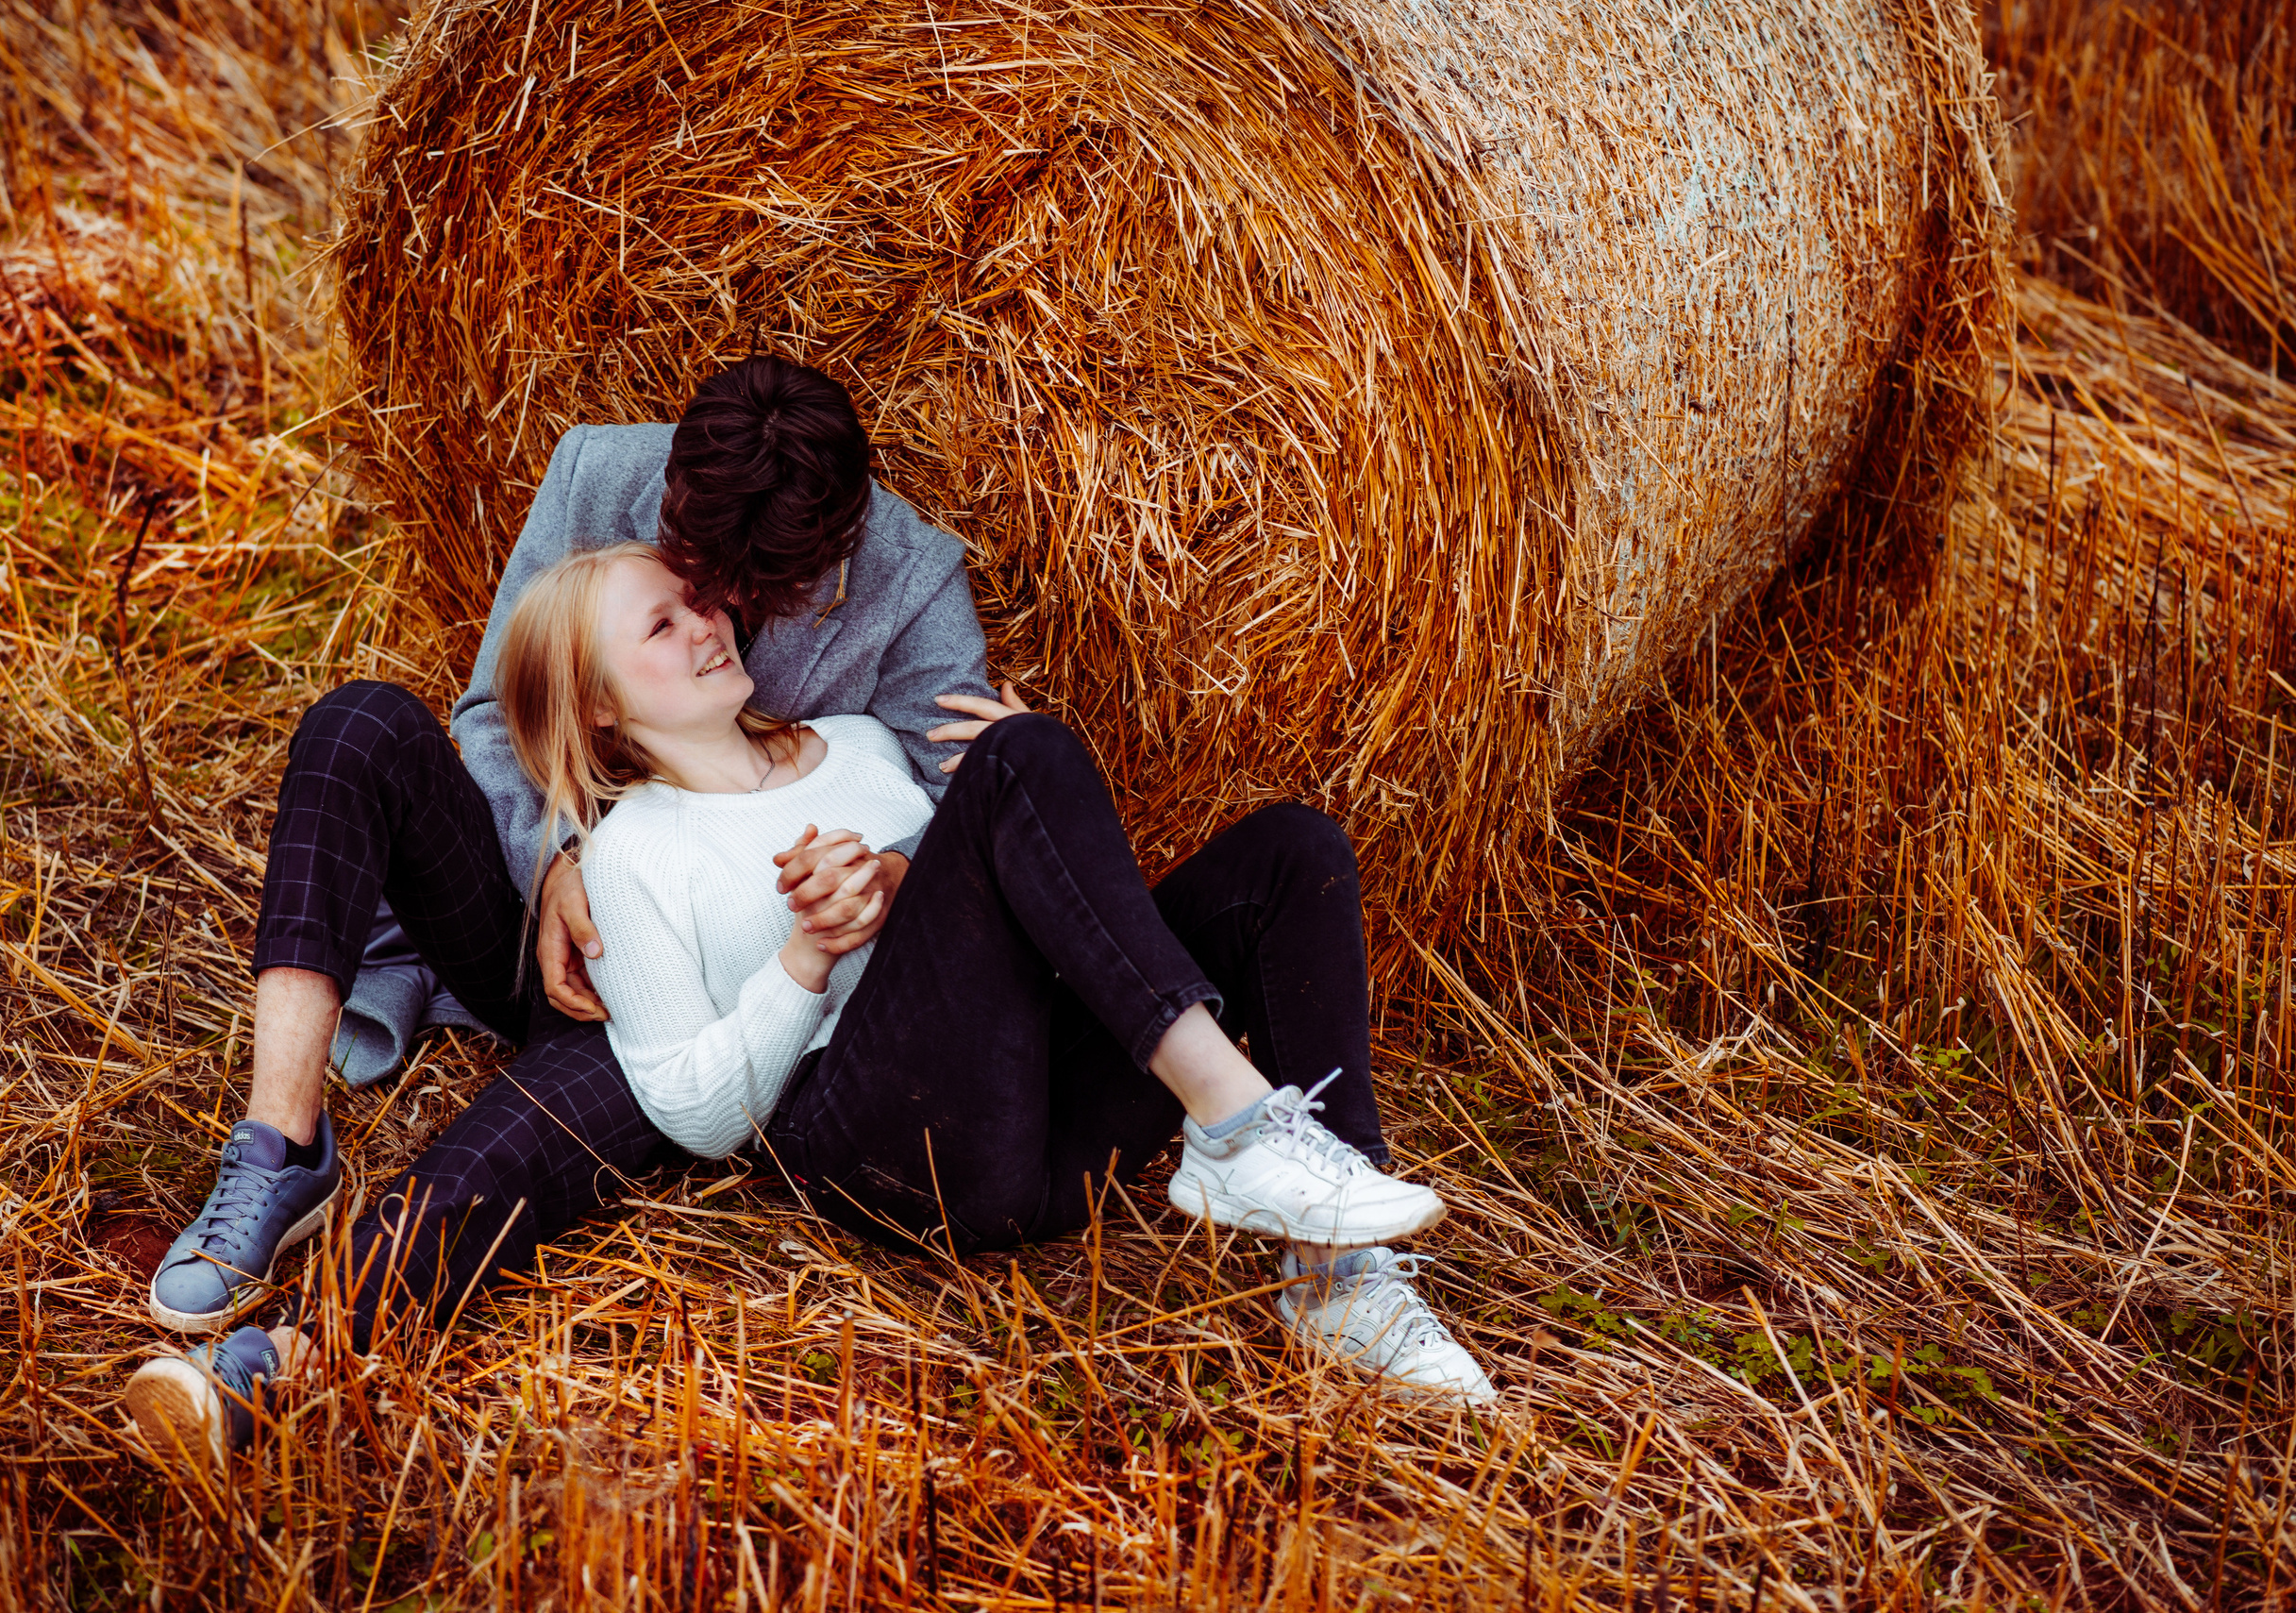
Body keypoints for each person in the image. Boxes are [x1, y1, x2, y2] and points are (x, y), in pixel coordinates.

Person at [122, 546, 1492, 1463]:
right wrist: (805, 960)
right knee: (510, 1147)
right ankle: (286, 1345)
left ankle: (1336, 1269)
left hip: (1028, 1090)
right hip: (881, 1123)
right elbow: (699, 1108)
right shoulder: (636, 848)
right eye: (662, 624)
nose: (710, 620)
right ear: (600, 712)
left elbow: (1039, 900)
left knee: (1292, 846)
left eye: (703, 601)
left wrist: (935, 845)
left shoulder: (864, 742)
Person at [138, 356, 1007, 1340]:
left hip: (689, 993)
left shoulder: (915, 576)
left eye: (749, 591)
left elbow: (959, 799)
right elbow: (492, 716)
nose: (718, 614)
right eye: (689, 577)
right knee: (356, 725)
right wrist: (554, 860)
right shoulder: (595, 474)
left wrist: (879, 879)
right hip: (530, 919)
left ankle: (291, 1351)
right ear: (673, 493)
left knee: (488, 1166)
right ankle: (280, 1147)